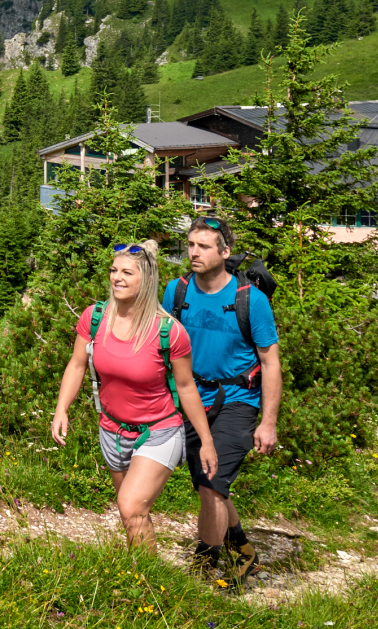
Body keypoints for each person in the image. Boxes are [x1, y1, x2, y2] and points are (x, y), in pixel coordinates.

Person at [51, 242, 218, 549]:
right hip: (112, 430)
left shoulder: (169, 331)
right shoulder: (95, 317)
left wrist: (206, 442)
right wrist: (61, 409)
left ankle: (145, 583)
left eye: (127, 272)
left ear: (147, 279)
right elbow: (76, 365)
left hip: (159, 431)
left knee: (130, 505)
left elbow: (185, 388)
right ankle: (145, 583)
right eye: (114, 271)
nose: (117, 278)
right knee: (132, 515)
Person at [167, 216, 280, 585]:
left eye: (203, 246)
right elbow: (163, 345)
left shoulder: (250, 299)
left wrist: (268, 422)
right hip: (191, 400)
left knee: (211, 483)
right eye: (191, 244)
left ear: (224, 252)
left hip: (237, 399)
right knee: (207, 481)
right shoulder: (177, 291)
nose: (193, 252)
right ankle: (243, 549)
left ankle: (204, 569)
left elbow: (270, 361)